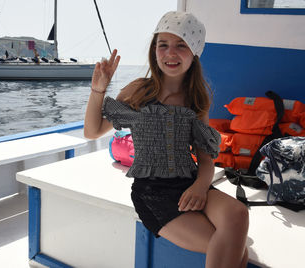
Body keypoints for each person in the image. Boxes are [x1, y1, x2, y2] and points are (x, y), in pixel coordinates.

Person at [84, 11, 249, 268]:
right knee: (236, 251)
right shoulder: (138, 90)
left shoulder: (198, 100)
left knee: (238, 213)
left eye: (181, 45)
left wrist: (200, 187)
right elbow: (93, 131)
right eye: (163, 45)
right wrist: (99, 89)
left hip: (190, 181)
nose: (170, 53)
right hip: (153, 192)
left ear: (194, 52)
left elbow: (206, 159)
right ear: (154, 49)